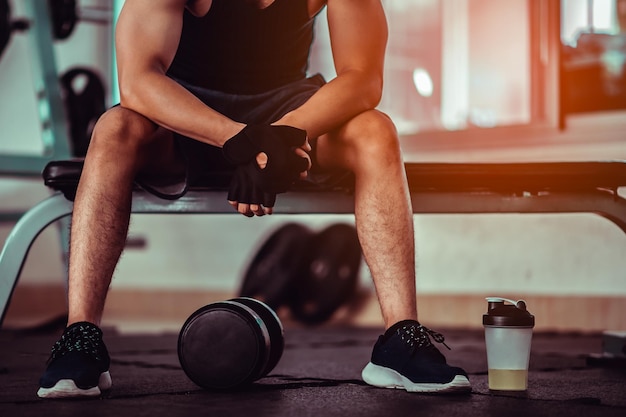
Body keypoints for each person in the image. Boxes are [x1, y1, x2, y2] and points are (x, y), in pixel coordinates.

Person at [37, 0, 471, 398]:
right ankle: (81, 336)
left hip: (290, 109)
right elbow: (139, 80)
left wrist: (284, 134)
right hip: (186, 111)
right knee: (113, 129)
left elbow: (363, 78)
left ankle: (400, 339)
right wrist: (239, 140)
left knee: (376, 131)